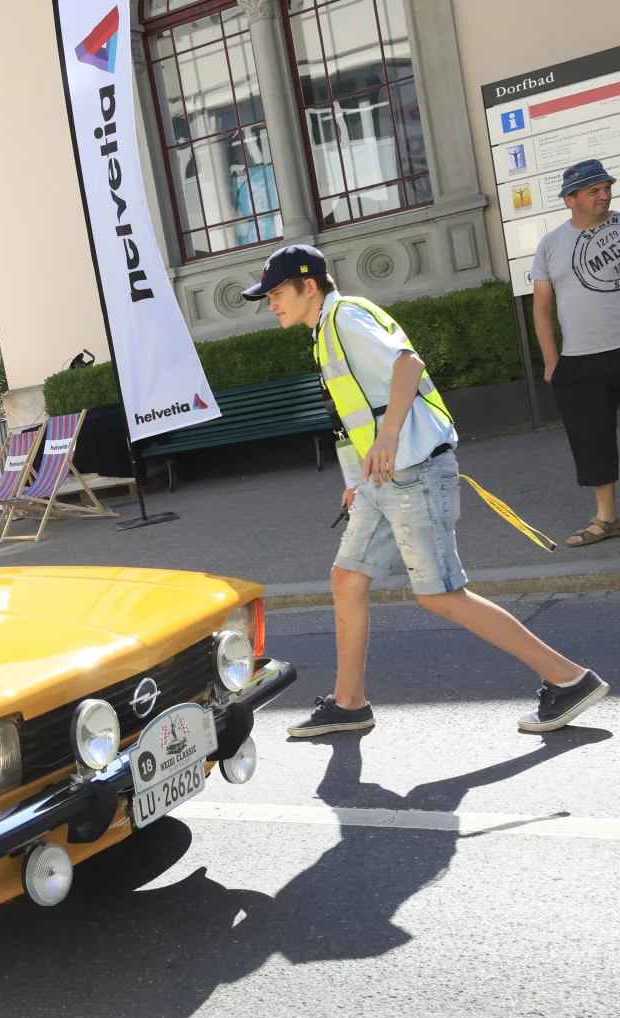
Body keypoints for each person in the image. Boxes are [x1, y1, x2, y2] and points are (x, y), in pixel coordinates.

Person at [243, 244, 608, 735]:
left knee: (441, 596)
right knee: (347, 579)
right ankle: (349, 703)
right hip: (384, 479)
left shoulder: (345, 318)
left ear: (309, 286)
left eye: (277, 293)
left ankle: (570, 680)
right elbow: (356, 413)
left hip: (413, 471)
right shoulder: (326, 329)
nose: (271, 304)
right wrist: (358, 480)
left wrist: (390, 437)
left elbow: (408, 366)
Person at [531, 159, 620, 547]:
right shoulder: (550, 244)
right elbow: (541, 308)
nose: (604, 195)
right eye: (593, 190)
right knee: (592, 441)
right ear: (570, 199)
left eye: (607, 188)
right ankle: (607, 519)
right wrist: (552, 362)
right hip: (580, 359)